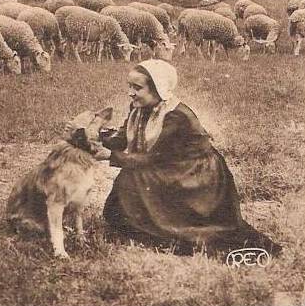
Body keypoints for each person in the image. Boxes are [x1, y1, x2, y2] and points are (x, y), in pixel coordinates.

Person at [102, 59, 281, 259]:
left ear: (158, 89)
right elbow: (121, 138)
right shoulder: (138, 107)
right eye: (129, 86)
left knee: (133, 176)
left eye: (137, 87)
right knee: (128, 183)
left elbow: (152, 158)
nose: (131, 92)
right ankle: (143, 224)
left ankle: (160, 227)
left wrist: (109, 155)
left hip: (196, 174)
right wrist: (97, 137)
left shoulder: (176, 116)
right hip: (171, 166)